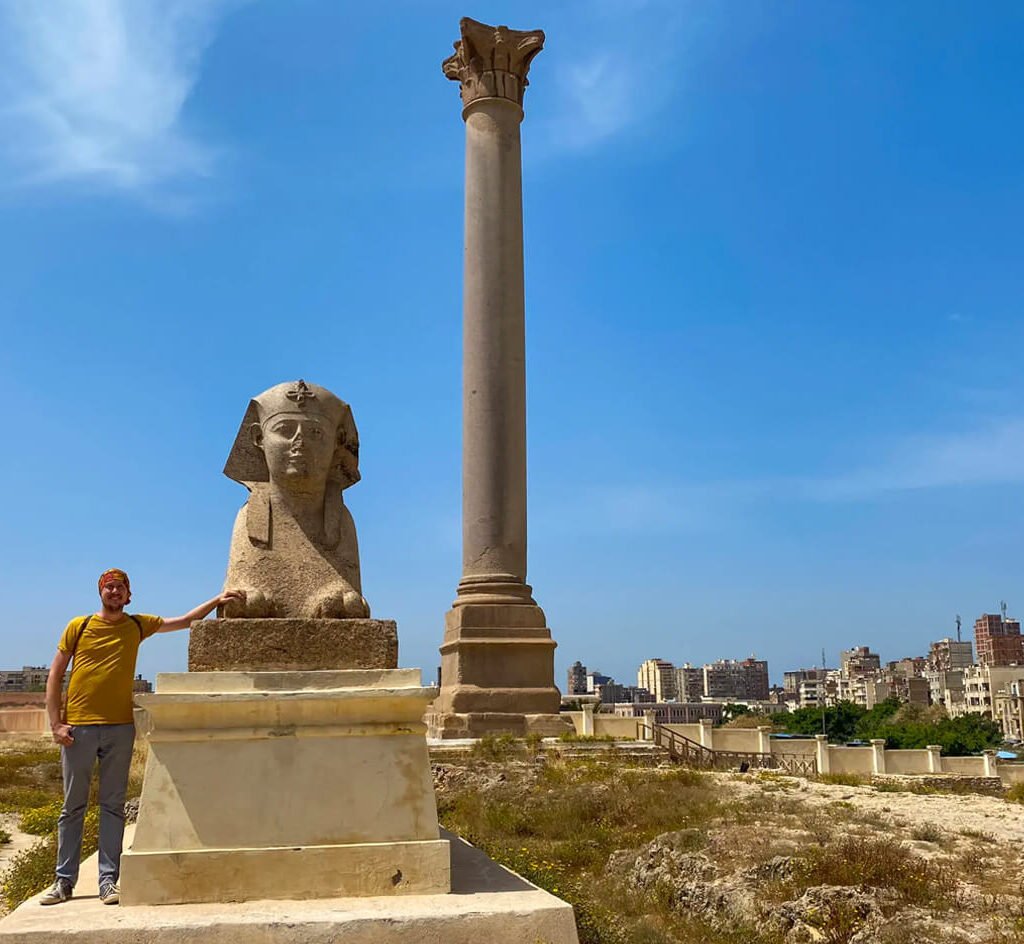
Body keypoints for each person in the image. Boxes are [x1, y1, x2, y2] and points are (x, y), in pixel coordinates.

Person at [41, 569, 243, 906]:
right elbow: (55, 673)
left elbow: (185, 622)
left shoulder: (137, 625)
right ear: (101, 593)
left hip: (120, 727)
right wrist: (56, 724)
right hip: (79, 728)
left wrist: (216, 601)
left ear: (128, 594)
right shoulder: (80, 626)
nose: (114, 592)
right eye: (109, 587)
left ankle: (108, 882)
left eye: (120, 587)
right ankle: (64, 882)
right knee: (72, 807)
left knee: (113, 807)